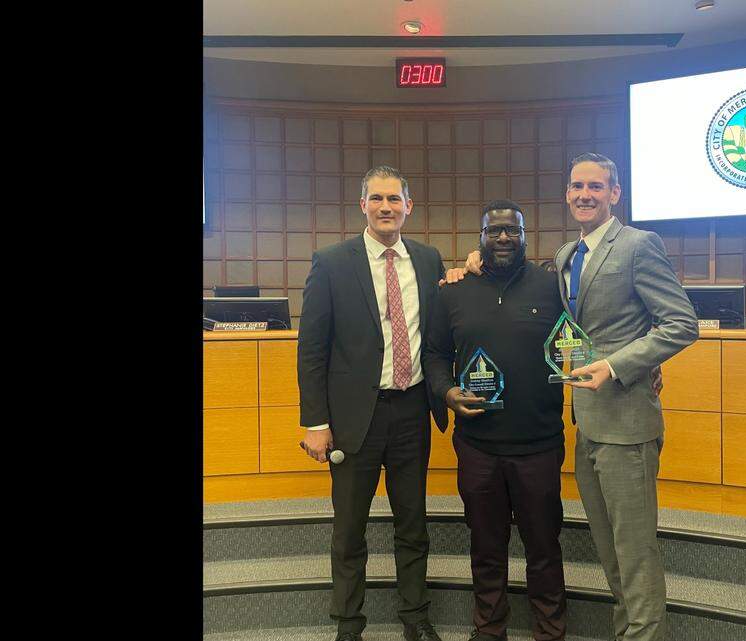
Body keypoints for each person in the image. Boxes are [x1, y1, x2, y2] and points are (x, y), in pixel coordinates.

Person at [452, 153, 699, 641]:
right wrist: (471, 267)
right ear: (567, 194)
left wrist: (623, 365)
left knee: (635, 552)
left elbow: (681, 323)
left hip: (627, 423)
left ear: (614, 194)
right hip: (585, 422)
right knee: (610, 550)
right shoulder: (566, 256)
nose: (585, 194)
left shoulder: (638, 245)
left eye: (596, 186)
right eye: (576, 186)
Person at [297, 166, 447, 641]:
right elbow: (312, 349)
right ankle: (348, 625)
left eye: (395, 199)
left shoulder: (427, 260)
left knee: (413, 524)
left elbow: (443, 328)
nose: (386, 207)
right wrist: (315, 422)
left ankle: (416, 620)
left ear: (409, 206)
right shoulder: (331, 261)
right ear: (362, 205)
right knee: (349, 531)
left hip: (411, 412)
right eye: (377, 198)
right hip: (352, 419)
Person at [424, 200, 568, 641]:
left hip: (539, 445)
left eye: (513, 231)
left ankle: (551, 631)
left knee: (544, 548)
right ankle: (488, 630)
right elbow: (433, 355)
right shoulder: (451, 291)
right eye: (494, 231)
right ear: (480, 237)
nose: (503, 238)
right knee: (486, 548)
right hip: (478, 446)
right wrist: (446, 392)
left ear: (525, 237)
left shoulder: (551, 287)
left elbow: (582, 342)